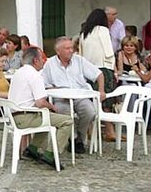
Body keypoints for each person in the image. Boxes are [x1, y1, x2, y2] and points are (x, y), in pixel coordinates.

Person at [9, 47, 72, 168]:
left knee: (45, 115)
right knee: (67, 121)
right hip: (26, 117)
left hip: (14, 116)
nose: (44, 61)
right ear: (36, 61)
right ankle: (51, 154)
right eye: (42, 58)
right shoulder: (35, 75)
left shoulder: (18, 73)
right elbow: (40, 102)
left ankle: (32, 149)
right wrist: (52, 107)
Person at [42, 37, 106, 150]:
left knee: (90, 112)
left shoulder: (79, 60)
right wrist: (58, 89)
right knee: (63, 112)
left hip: (80, 96)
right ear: (58, 51)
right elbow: (44, 85)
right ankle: (73, 138)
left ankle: (79, 137)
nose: (71, 50)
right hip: (60, 98)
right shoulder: (49, 64)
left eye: (71, 47)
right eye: (67, 48)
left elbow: (99, 74)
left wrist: (101, 90)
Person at [79, 9, 117, 140]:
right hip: (103, 68)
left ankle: (90, 130)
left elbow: (81, 53)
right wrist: (114, 69)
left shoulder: (84, 33)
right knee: (105, 100)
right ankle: (109, 131)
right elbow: (108, 51)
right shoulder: (103, 30)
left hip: (88, 69)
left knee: (91, 100)